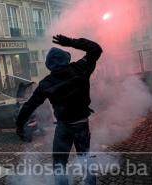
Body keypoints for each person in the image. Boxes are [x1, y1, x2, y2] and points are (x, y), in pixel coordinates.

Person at [15, 35, 103, 185]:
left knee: (59, 163)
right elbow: (96, 49)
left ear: (49, 65)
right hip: (81, 124)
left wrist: (19, 125)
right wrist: (70, 42)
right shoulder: (80, 68)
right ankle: (90, 182)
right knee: (85, 157)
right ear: (65, 59)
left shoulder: (46, 83)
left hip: (64, 127)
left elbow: (29, 105)